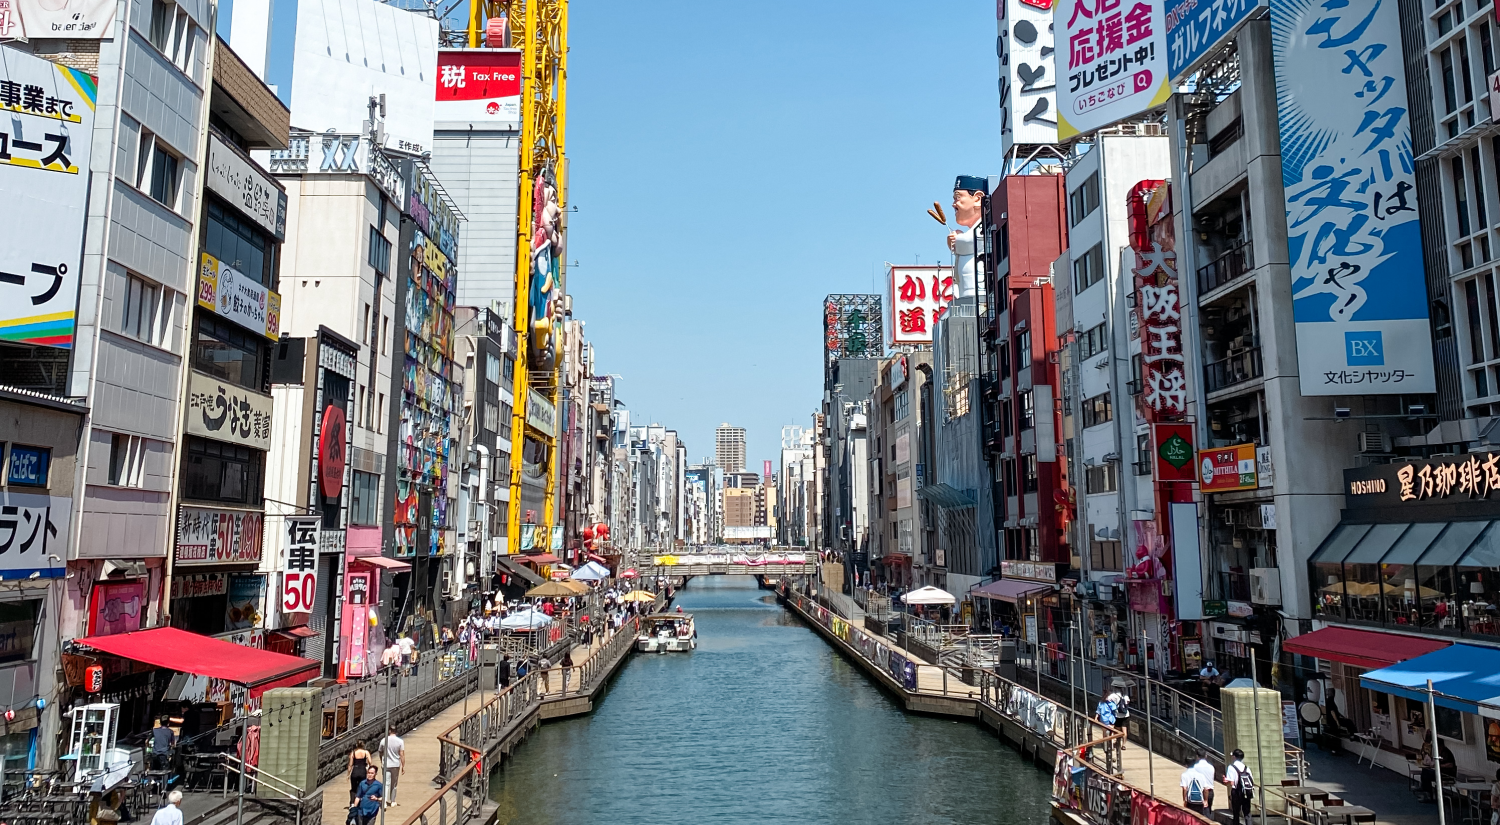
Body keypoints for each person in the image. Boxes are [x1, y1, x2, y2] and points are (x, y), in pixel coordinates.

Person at [1224, 749, 1255, 825]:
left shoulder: (1231, 767)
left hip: (1236, 792)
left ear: (1234, 757)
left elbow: (1230, 782)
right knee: (1247, 813)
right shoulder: (1247, 768)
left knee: (1236, 813)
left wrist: (1225, 780)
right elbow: (1252, 780)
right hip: (1246, 792)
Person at [379, 727, 405, 807]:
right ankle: (393, 801)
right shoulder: (400, 741)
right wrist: (403, 766)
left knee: (386, 783)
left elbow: (380, 751)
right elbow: (402, 754)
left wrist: (381, 760)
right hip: (395, 764)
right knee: (394, 784)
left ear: (389, 731)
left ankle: (385, 801)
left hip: (386, 764)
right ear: (396, 731)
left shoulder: (384, 740)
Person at [347, 739, 372, 806]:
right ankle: (361, 801)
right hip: (362, 771)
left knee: (353, 788)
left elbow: (350, 764)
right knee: (363, 787)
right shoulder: (366, 752)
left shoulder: (353, 753)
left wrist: (348, 774)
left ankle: (352, 803)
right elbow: (370, 761)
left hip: (355, 771)